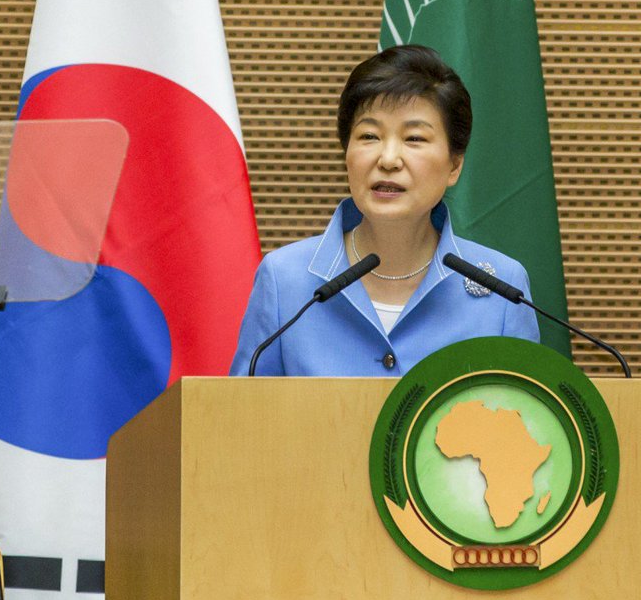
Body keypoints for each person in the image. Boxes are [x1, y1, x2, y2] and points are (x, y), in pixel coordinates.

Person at [230, 45, 540, 376]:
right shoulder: (284, 280)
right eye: (369, 135)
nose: (388, 159)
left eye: (414, 138)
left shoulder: (503, 289)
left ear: (454, 165)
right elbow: (244, 408)